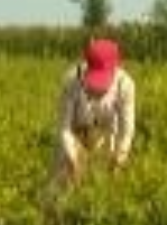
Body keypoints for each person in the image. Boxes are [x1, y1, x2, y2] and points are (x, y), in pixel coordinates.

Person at [53, 37, 136, 188]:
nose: (97, 89)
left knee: (108, 181)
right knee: (65, 179)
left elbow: (126, 130)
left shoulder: (125, 84)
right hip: (75, 133)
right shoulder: (71, 80)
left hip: (107, 133)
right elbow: (64, 128)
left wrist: (119, 158)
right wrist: (73, 158)